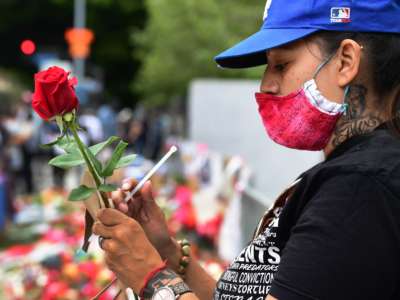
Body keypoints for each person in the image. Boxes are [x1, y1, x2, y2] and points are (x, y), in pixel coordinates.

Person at [92, 1, 400, 299]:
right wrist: (166, 252)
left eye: (281, 65)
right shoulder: (354, 173)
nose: (266, 85)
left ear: (346, 61)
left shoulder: (362, 185)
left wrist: (151, 279)